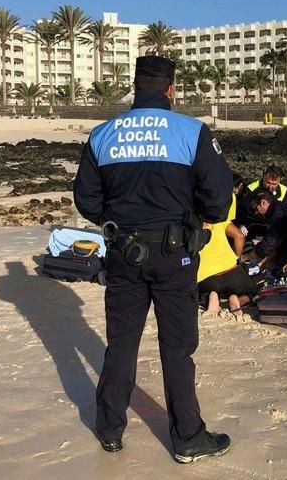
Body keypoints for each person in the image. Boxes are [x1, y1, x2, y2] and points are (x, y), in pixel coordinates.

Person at [73, 55, 233, 464]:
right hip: (174, 253)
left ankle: (109, 429)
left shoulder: (103, 134)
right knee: (177, 348)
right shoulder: (191, 131)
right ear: (171, 89)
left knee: (121, 344)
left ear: (135, 87)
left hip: (124, 252)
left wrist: (120, 218)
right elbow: (219, 200)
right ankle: (187, 438)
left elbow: (87, 200)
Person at [198, 193, 259, 314]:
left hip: (206, 275)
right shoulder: (219, 219)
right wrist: (236, 257)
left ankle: (211, 297)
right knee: (254, 292)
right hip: (231, 270)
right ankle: (236, 299)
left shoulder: (191, 221)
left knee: (198, 292)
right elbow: (239, 236)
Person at [240, 191, 287, 267]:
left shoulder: (279, 217)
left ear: (263, 202)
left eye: (256, 209)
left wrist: (245, 257)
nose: (256, 213)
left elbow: (268, 244)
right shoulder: (281, 206)